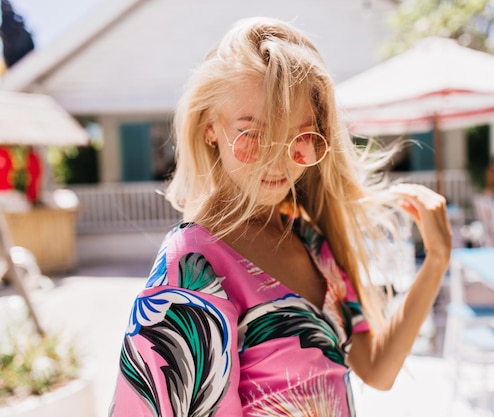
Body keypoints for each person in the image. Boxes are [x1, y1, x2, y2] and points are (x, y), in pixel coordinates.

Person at [109, 17, 451, 417]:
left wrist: (437, 260)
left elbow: (376, 370)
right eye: (253, 135)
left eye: (301, 138)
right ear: (210, 128)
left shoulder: (310, 242)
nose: (280, 160)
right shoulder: (191, 269)